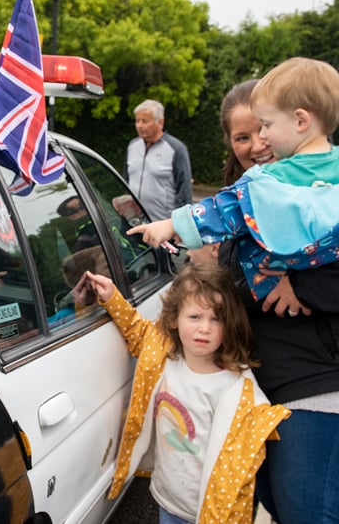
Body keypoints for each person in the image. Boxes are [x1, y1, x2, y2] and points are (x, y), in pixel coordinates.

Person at [190, 77, 339, 524]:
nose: (257, 143)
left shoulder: (319, 190)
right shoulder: (237, 203)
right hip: (258, 387)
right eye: (242, 136)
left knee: (307, 509)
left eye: (263, 128)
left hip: (315, 381)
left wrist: (304, 288)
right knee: (277, 502)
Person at [73, 264, 289, 524]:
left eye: (216, 319)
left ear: (229, 324)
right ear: (174, 319)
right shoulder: (163, 356)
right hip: (167, 501)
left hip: (207, 514)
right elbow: (137, 330)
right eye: (195, 317)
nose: (205, 328)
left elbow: (240, 463)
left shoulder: (236, 390)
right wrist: (110, 297)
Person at [129, 58, 339, 301]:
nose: (261, 140)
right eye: (242, 138)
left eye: (266, 125)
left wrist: (173, 225)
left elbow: (224, 209)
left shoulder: (265, 182)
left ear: (300, 121)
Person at [123, 99, 193, 221]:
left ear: (160, 122)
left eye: (145, 121)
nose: (139, 125)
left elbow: (184, 191)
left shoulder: (176, 149)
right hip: (132, 222)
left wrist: (179, 224)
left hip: (162, 225)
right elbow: (125, 180)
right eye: (137, 121)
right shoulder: (132, 146)